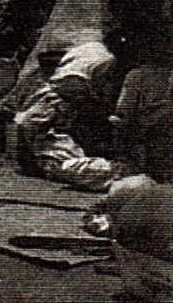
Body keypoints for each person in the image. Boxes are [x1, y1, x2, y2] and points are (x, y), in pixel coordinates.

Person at [10, 39, 124, 191]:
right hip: (51, 120)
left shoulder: (92, 48)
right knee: (69, 165)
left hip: (48, 109)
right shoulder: (106, 61)